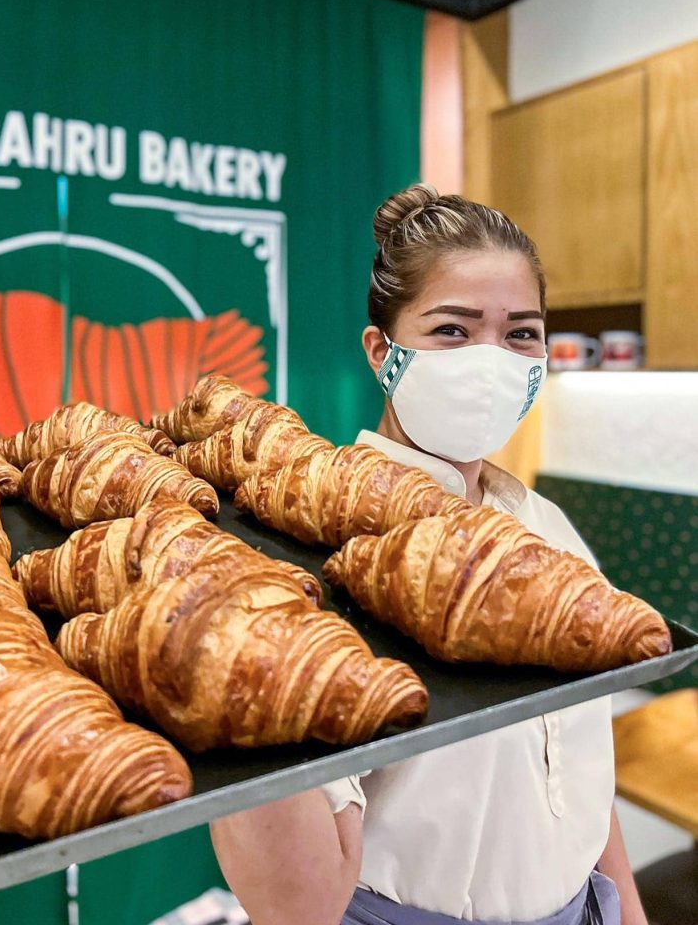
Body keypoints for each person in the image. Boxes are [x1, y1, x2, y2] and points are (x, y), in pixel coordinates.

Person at [210, 184, 650, 925]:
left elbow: (576, 774)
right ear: (381, 352)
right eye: (452, 330)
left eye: (520, 333)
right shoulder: (306, 565)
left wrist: (628, 912)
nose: (491, 360)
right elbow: (297, 908)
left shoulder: (546, 529)